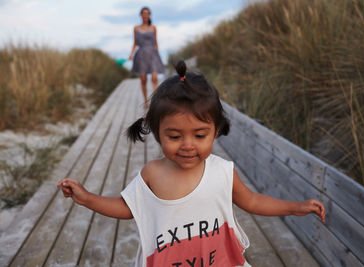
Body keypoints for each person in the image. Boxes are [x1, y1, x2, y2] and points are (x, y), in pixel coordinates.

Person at [58, 60, 326, 267]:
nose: (187, 145)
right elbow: (128, 208)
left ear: (216, 131)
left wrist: (294, 207)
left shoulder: (222, 172)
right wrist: (87, 198)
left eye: (200, 135)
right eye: (174, 136)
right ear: (156, 130)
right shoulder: (153, 173)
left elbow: (252, 201)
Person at [129, 6, 164, 109]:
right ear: (140, 15)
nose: (145, 15)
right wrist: (131, 54)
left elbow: (155, 42)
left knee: (154, 78)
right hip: (141, 54)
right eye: (143, 13)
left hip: (153, 53)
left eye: (147, 13)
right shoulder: (136, 28)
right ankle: (146, 101)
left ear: (149, 15)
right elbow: (135, 43)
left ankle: (156, 101)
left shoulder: (153, 28)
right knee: (143, 79)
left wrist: (157, 53)